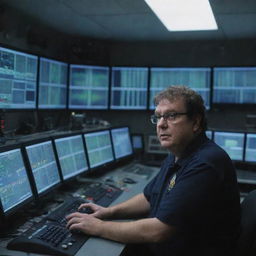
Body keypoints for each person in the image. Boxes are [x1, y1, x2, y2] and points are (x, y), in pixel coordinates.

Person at [66, 85, 241, 256]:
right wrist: (108, 212)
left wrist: (99, 227)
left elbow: (159, 231)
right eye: (158, 117)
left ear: (195, 122)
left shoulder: (205, 163)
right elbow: (150, 197)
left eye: (171, 116)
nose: (161, 125)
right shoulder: (178, 154)